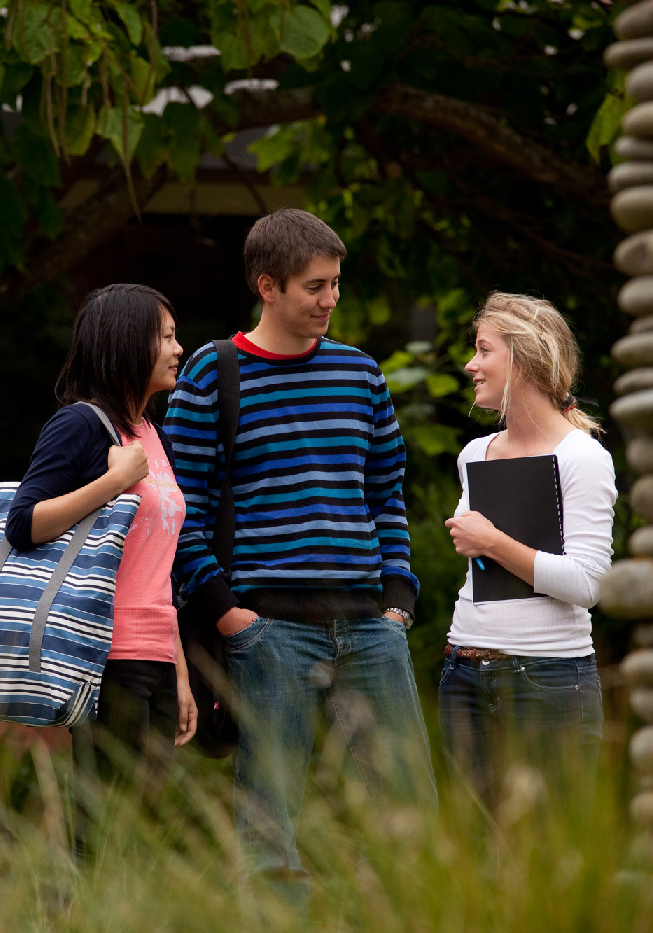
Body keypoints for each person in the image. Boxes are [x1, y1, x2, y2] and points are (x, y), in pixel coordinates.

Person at [165, 209, 437, 900]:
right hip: (269, 629)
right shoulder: (211, 372)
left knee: (410, 803)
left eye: (335, 283)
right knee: (270, 815)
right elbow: (179, 511)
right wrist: (230, 615)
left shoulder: (360, 374)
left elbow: (386, 494)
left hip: (370, 625)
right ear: (269, 285)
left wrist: (398, 602)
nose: (330, 300)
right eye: (315, 286)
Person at [5, 284, 197, 859]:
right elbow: (24, 522)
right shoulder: (81, 426)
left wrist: (179, 671)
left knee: (141, 828)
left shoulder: (150, 435)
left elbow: (155, 570)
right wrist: (113, 481)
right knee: (103, 828)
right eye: (164, 337)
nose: (178, 349)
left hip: (155, 659)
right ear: (125, 343)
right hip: (106, 659)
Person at [441, 292, 615, 814]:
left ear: (522, 356)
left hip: (548, 679)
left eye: (483, 350)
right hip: (464, 670)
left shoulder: (582, 457)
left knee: (544, 860)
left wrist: (491, 542)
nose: (471, 364)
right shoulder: (475, 453)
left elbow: (588, 584)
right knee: (469, 855)